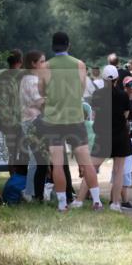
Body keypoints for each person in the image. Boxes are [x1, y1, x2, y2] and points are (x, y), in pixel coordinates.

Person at [38, 32, 101, 211]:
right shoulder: (80, 65)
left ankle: (62, 204)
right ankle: (96, 201)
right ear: (68, 45)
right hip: (75, 118)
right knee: (86, 161)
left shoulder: (45, 66)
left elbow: (41, 91)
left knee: (57, 164)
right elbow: (81, 89)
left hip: (53, 120)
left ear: (52, 46)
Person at [82, 65, 131, 211]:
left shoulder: (98, 94)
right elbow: (126, 116)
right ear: (117, 79)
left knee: (91, 167)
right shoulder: (123, 95)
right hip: (120, 136)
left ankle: (79, 199)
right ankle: (115, 203)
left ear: (103, 79)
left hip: (103, 135)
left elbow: (95, 115)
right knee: (118, 171)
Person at [19, 51, 48, 200]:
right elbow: (40, 102)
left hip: (29, 122)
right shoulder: (32, 80)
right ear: (33, 63)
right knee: (39, 160)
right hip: (33, 122)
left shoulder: (27, 79)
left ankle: (32, 192)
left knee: (36, 160)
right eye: (42, 61)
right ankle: (33, 193)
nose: (45, 64)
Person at [0, 49, 25, 174]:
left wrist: (7, 122)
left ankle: (14, 180)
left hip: (8, 123)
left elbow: (0, 103)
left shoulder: (1, 77)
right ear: (21, 61)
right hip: (24, 121)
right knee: (24, 154)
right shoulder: (24, 75)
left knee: (12, 154)